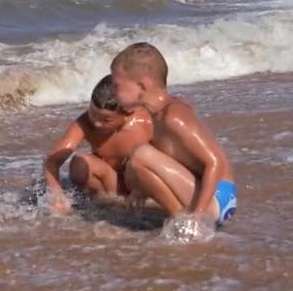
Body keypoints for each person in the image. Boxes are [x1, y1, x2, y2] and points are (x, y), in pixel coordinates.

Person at [110, 42, 236, 227]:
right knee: (137, 162)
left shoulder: (174, 116)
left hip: (219, 197)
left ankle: (191, 224)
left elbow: (215, 162)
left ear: (142, 86)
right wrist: (140, 189)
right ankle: (182, 220)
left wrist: (199, 216)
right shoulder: (157, 114)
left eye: (116, 86)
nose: (113, 93)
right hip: (208, 193)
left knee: (141, 154)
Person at [44, 75, 153, 214]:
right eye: (92, 114)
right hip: (112, 187)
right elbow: (52, 161)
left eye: (106, 119)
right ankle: (106, 206)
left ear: (128, 112)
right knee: (79, 163)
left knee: (140, 159)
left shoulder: (147, 123)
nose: (96, 123)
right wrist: (58, 197)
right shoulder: (85, 123)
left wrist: (143, 191)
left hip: (145, 188)